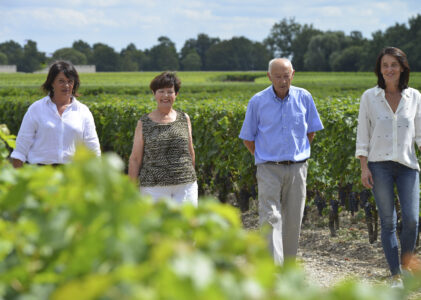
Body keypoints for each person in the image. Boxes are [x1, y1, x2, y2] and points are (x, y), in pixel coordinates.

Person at [239, 58, 324, 264]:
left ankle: (288, 266)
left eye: (286, 76)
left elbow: (310, 132)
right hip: (268, 168)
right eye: (277, 76)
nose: (282, 80)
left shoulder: (304, 97)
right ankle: (273, 268)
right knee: (270, 217)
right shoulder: (257, 101)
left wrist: (296, 154)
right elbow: (247, 138)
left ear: (292, 74)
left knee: (293, 219)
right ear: (269, 77)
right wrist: (265, 157)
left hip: (297, 168)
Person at [356, 47, 421, 287]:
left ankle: (406, 267)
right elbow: (362, 134)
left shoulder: (414, 97)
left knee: (412, 220)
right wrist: (364, 167)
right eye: (385, 65)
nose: (389, 69)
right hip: (379, 165)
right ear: (380, 69)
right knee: (388, 221)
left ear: (402, 67)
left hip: (407, 165)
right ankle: (395, 275)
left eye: (394, 64)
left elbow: (420, 135)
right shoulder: (369, 97)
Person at [11, 61, 101, 168]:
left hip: (72, 175)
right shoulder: (36, 109)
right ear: (52, 82)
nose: (66, 85)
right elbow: (21, 148)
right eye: (61, 81)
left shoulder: (83, 111)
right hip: (40, 175)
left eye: (70, 81)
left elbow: (93, 149)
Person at [128, 72, 198, 206]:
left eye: (170, 92)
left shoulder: (184, 118)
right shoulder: (144, 122)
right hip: (153, 189)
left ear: (176, 94)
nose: (166, 96)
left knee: (186, 225)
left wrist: (190, 176)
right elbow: (135, 158)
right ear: (154, 94)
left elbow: (190, 152)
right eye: (161, 91)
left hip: (185, 187)